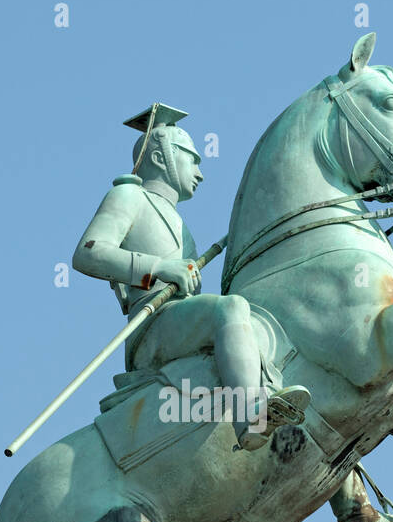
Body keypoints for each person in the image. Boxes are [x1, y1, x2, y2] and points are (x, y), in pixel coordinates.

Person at [72, 103, 309, 450]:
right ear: (161, 156)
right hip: (153, 326)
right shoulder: (129, 195)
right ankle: (250, 414)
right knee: (230, 309)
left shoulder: (182, 224)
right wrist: (159, 268)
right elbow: (88, 253)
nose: (200, 172)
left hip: (180, 319)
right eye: (193, 158)